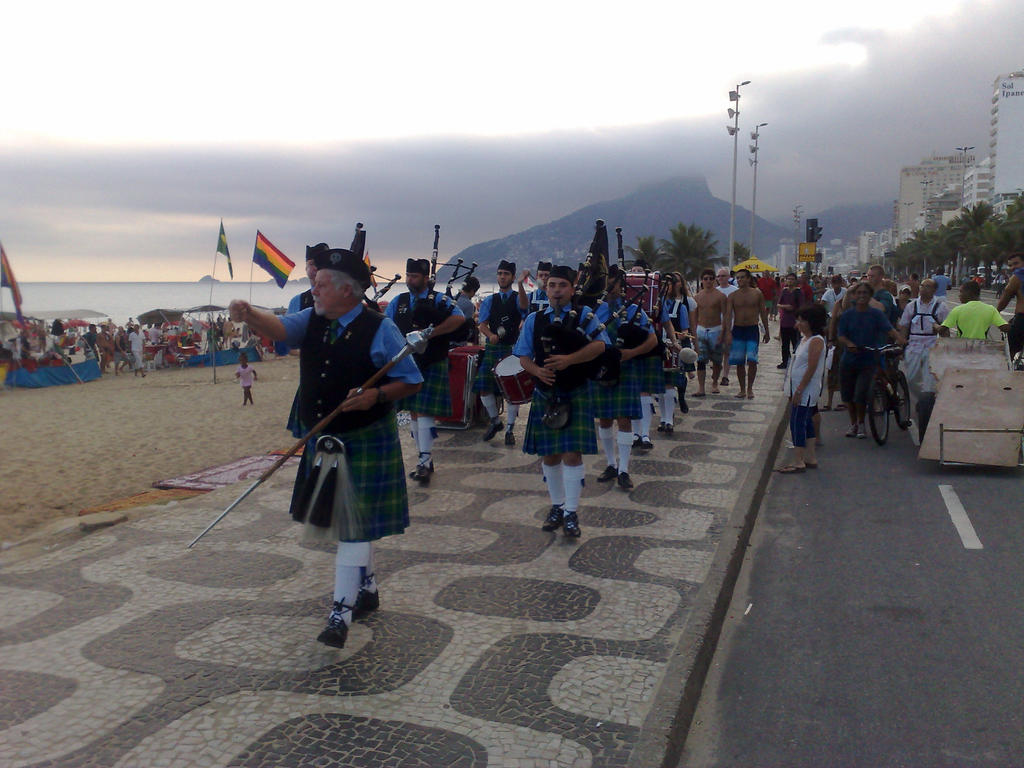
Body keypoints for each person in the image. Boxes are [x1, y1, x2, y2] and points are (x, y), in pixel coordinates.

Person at [228, 247, 422, 649]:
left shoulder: (380, 328)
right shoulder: (312, 318)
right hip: (324, 436)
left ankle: (340, 613)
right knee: (349, 521)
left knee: (351, 527)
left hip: (365, 435)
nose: (312, 289)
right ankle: (366, 584)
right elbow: (279, 329)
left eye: (319, 284)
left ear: (347, 291)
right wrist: (249, 314)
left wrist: (376, 396)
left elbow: (411, 380)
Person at [513, 265, 610, 538]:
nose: (556, 290)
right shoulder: (534, 319)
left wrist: (569, 360)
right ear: (546, 287)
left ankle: (571, 512)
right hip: (546, 391)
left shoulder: (585, 316)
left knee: (572, 454)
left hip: (576, 389)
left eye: (562, 286)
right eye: (552, 285)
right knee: (550, 454)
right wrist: (537, 371)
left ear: (571, 288)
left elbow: (601, 345)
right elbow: (522, 355)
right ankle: (556, 506)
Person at [386, 258, 466, 484]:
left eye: (415, 276)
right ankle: (425, 459)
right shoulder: (398, 301)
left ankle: (424, 460)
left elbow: (459, 318)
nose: (410, 280)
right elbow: (387, 326)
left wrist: (431, 333)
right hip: (407, 363)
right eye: (408, 275)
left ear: (426, 278)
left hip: (432, 361)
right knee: (413, 411)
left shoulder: (440, 300)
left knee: (424, 412)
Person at [592, 266, 657, 489]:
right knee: (604, 419)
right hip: (601, 369)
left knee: (624, 420)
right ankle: (611, 464)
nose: (610, 287)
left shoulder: (633, 310)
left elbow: (652, 340)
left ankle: (624, 469)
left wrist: (631, 353)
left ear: (621, 285)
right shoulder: (595, 311)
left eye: (614, 283)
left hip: (626, 368)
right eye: (607, 282)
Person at [837, 282, 905, 438]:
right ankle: (853, 423)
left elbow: (889, 329)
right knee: (847, 395)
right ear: (854, 296)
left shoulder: (876, 314)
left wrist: (900, 339)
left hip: (868, 360)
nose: (861, 296)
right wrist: (849, 344)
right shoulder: (848, 315)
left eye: (865, 293)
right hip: (849, 360)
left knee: (860, 394)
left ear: (870, 296)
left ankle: (861, 424)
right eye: (858, 293)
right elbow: (841, 335)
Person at [475, 261, 526, 445]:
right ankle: (495, 421)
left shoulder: (518, 297)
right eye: (499, 273)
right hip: (493, 348)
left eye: (506, 274)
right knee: (483, 388)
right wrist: (490, 335)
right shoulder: (490, 300)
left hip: (512, 348)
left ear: (512, 277)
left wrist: (521, 284)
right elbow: (481, 324)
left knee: (511, 390)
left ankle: (510, 429)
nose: (502, 276)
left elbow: (524, 308)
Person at [777, 305, 828, 473]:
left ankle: (798, 460)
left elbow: (812, 368)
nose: (798, 324)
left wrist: (799, 390)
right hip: (798, 388)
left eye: (801, 321)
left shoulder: (816, 341)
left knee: (797, 422)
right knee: (806, 423)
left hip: (806, 390)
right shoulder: (805, 339)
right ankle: (810, 457)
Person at [898, 277, 948, 402]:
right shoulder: (911, 306)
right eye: (922, 286)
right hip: (914, 344)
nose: (923, 289)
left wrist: (946, 347)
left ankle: (926, 405)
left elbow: (946, 329)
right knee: (911, 378)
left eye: (927, 286)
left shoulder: (941, 307)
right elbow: (904, 326)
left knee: (929, 380)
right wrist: (901, 345)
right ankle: (921, 398)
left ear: (934, 290)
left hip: (931, 345)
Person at [723, 268, 770, 399]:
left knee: (752, 360)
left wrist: (767, 331)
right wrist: (727, 332)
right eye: (738, 278)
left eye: (742, 277)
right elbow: (728, 315)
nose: (740, 280)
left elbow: (763, 312)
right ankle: (742, 389)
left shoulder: (757, 294)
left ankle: (750, 388)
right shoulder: (733, 295)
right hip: (738, 329)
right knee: (739, 361)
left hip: (752, 329)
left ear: (748, 278)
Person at [938, 280, 1011, 339]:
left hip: (963, 350)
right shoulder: (991, 309)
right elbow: (1005, 328)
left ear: (969, 293)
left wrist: (934, 325)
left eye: (961, 292)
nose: (959, 295)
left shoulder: (958, 310)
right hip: (982, 350)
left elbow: (942, 330)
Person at [996, 251, 1024, 360]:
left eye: (1016, 263)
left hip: (1022, 319)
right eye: (1010, 265)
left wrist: (995, 312)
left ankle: (1009, 371)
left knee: (1008, 352)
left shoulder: (1018, 276)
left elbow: (1004, 299)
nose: (1013, 267)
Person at [715, 267, 739, 386]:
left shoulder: (734, 291)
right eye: (718, 276)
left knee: (727, 352)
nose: (720, 278)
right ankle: (716, 374)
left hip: (730, 325)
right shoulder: (715, 291)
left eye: (723, 276)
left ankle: (725, 375)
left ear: (728, 277)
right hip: (716, 325)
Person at [776, 272, 804, 369]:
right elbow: (778, 304)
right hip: (784, 321)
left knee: (796, 344)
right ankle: (785, 361)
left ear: (796, 280)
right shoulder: (784, 291)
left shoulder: (798, 292)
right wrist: (785, 307)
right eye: (789, 279)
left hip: (794, 322)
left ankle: (797, 362)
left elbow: (801, 307)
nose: (790, 281)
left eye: (792, 279)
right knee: (785, 344)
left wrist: (799, 321)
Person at [452, 275, 480, 345]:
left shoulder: (452, 299)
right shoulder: (469, 305)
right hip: (458, 343)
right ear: (473, 291)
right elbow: (467, 328)